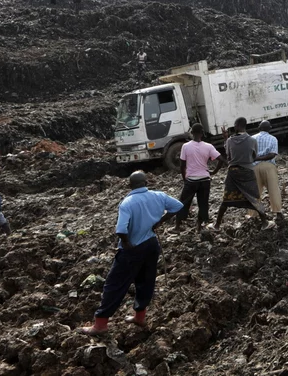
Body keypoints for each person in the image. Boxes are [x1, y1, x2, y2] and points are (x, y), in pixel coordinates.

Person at [78, 171, 183, 335]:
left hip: (133, 248)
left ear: (130, 185)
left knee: (114, 284)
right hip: (151, 244)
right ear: (146, 182)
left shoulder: (128, 202)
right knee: (145, 281)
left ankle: (100, 325)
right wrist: (159, 222)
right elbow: (178, 206)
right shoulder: (158, 195)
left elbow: (120, 229)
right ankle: (140, 317)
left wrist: (127, 244)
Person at [214, 118, 274, 230]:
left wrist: (225, 138)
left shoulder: (230, 141)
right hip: (247, 172)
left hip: (233, 172)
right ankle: (265, 223)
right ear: (245, 126)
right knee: (254, 197)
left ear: (236, 126)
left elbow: (228, 156)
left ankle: (217, 225)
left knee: (226, 199)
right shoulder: (252, 140)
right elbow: (254, 156)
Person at [175, 124, 220, 233]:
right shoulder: (208, 146)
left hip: (191, 180)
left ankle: (177, 227)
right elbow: (221, 159)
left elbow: (182, 165)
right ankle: (199, 227)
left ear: (192, 133)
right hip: (205, 180)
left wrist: (185, 178)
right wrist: (214, 171)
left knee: (183, 203)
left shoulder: (185, 146)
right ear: (202, 133)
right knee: (203, 203)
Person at [253, 121, 283, 218]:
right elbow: (272, 154)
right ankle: (278, 212)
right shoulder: (273, 139)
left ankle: (253, 214)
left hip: (254, 167)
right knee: (273, 189)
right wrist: (261, 158)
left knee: (254, 192)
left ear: (259, 127)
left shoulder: (251, 138)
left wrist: (256, 158)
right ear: (269, 128)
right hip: (268, 166)